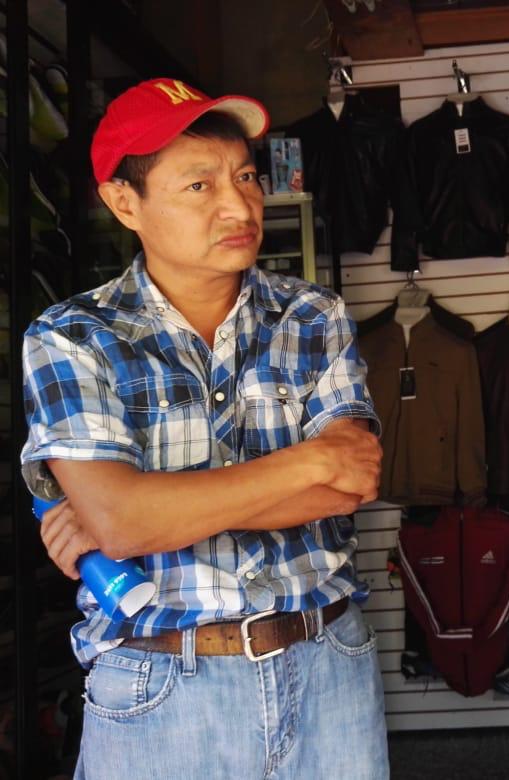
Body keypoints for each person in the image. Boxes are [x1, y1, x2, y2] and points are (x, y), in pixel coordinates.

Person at [21, 78, 389, 778]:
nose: (239, 205)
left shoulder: (313, 315)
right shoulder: (72, 337)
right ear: (124, 202)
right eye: (199, 185)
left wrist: (145, 510)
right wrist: (309, 462)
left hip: (328, 667)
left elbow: (352, 483)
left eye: (246, 177)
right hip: (162, 686)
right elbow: (123, 522)